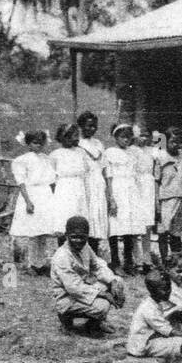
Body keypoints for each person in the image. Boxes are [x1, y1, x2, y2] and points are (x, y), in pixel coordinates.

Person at [50, 215, 125, 335]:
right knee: (102, 306)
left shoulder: (85, 246)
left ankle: (96, 322)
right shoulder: (62, 256)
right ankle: (70, 322)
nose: (78, 241)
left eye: (82, 237)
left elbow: (97, 265)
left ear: (87, 236)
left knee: (117, 282)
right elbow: (74, 287)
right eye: (74, 237)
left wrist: (112, 281)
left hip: (83, 288)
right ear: (66, 235)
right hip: (67, 297)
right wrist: (103, 294)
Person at [9, 129, 58, 275]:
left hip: (45, 195)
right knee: (32, 232)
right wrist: (28, 201)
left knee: (42, 232)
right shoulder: (22, 160)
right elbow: (21, 183)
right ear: (28, 143)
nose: (38, 146)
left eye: (41, 143)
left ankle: (40, 263)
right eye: (35, 143)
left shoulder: (46, 159)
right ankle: (30, 264)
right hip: (31, 193)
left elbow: (52, 179)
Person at [104, 124, 140, 274]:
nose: (126, 140)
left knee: (129, 228)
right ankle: (115, 261)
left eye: (128, 137)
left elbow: (135, 173)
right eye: (122, 137)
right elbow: (109, 176)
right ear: (116, 137)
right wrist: (111, 197)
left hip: (130, 189)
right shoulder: (110, 152)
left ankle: (129, 262)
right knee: (115, 226)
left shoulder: (133, 153)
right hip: (118, 189)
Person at [50, 124, 89, 251]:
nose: (76, 139)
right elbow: (51, 177)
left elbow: (86, 171)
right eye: (73, 136)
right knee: (64, 220)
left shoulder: (81, 152)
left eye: (77, 136)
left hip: (78, 188)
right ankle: (63, 254)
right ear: (64, 137)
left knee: (78, 220)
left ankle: (78, 254)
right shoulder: (56, 154)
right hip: (64, 189)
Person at [76, 112, 110, 257]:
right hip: (85, 183)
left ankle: (94, 256)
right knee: (86, 217)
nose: (92, 129)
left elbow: (104, 168)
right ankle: (80, 255)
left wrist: (107, 189)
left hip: (98, 184)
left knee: (97, 218)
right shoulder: (76, 143)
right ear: (81, 126)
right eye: (88, 126)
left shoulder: (98, 144)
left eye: (94, 126)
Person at [155, 128, 182, 265]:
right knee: (164, 232)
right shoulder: (161, 157)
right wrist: (157, 204)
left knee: (177, 233)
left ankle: (177, 261)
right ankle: (165, 261)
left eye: (179, 142)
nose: (176, 145)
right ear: (166, 141)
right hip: (166, 200)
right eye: (173, 142)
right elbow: (157, 182)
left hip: (181, 198)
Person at [130, 126, 157, 267]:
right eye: (141, 135)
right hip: (135, 185)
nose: (144, 138)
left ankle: (147, 256)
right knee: (136, 223)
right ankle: (137, 258)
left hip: (148, 186)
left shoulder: (152, 151)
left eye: (147, 135)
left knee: (147, 223)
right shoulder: (131, 151)